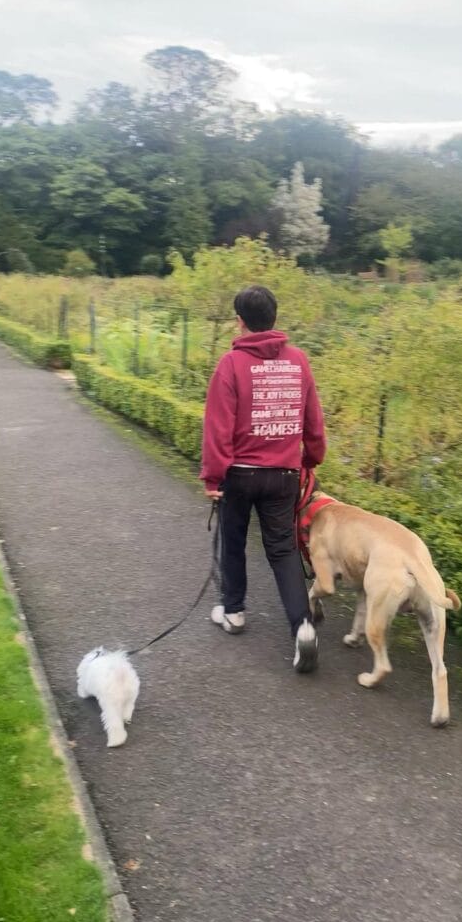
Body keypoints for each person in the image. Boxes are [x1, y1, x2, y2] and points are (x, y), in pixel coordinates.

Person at [200, 284, 326, 672]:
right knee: (283, 549)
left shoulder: (231, 365)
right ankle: (302, 627)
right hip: (284, 474)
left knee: (234, 541)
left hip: (239, 474)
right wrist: (312, 458)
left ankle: (234, 612)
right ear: (275, 318)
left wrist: (213, 477)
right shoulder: (298, 362)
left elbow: (218, 427)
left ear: (239, 321)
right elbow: (313, 421)